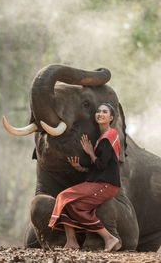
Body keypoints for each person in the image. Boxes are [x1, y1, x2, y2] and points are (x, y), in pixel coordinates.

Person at [48, 103, 122, 252]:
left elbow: (101, 165)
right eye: (98, 111)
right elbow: (99, 167)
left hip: (106, 185)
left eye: (105, 112)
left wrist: (90, 152)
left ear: (111, 118)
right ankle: (72, 242)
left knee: (63, 195)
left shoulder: (110, 135)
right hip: (99, 182)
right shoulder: (102, 137)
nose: (100, 114)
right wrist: (81, 168)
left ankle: (110, 238)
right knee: (70, 204)